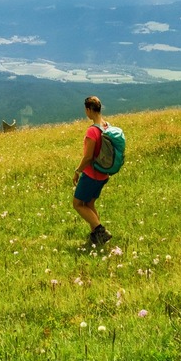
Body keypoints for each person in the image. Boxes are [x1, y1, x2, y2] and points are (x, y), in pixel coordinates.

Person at [73, 95, 113, 247]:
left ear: (89, 110)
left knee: (77, 204)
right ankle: (96, 237)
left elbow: (88, 156)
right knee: (89, 204)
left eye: (86, 110)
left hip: (91, 175)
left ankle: (100, 230)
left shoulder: (92, 131)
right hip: (103, 174)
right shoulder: (107, 126)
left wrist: (77, 171)